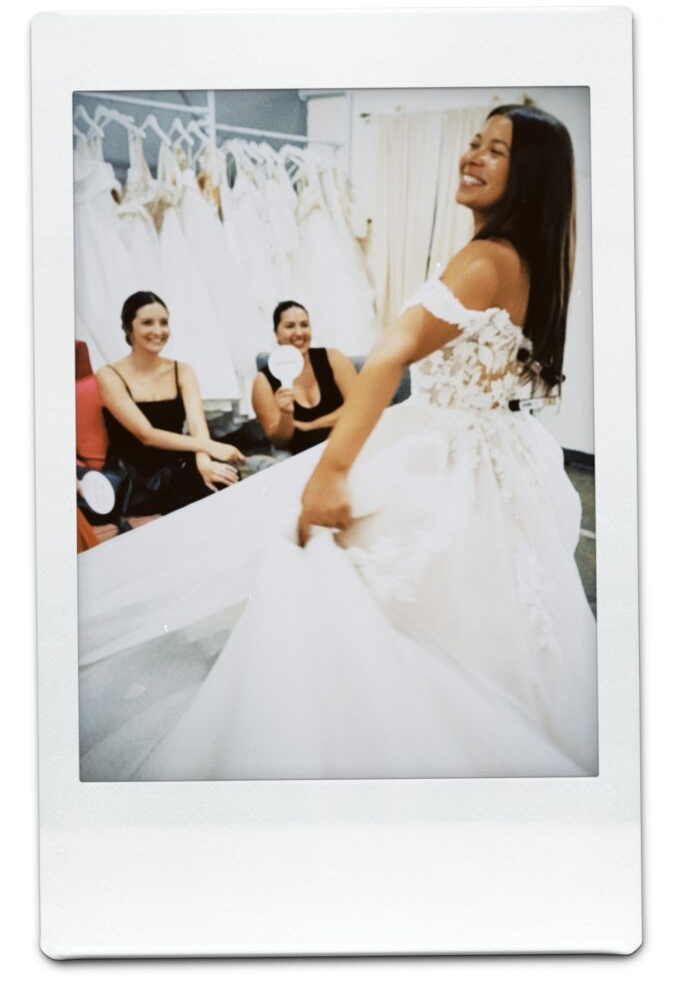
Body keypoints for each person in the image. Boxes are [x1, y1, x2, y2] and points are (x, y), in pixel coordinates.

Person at [80, 106, 597, 783]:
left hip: (444, 454)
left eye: (495, 150)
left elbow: (387, 355)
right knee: (474, 631)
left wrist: (332, 469)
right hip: (498, 457)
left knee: (343, 590)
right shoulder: (530, 260)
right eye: (473, 141)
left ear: (526, 173)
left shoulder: (483, 259)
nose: (472, 155)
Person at [96, 291, 243, 517]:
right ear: (128, 328)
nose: (158, 331)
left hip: (177, 460)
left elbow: (197, 424)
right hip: (137, 473)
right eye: (147, 323)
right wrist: (211, 447)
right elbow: (147, 435)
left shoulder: (182, 370)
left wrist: (204, 462)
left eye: (164, 322)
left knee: (224, 480)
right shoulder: (109, 375)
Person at [252, 300, 358, 454]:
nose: (299, 333)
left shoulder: (334, 358)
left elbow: (360, 407)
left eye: (304, 325)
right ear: (276, 333)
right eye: (290, 326)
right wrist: (285, 415)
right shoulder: (263, 381)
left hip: (350, 443)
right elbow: (280, 442)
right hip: (307, 457)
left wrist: (311, 425)